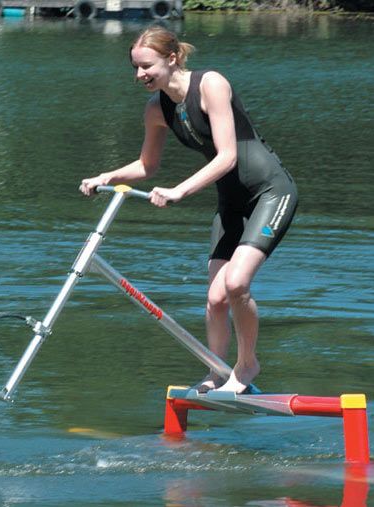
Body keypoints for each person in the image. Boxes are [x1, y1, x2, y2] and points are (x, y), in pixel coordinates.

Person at [79, 26, 298, 394]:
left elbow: (228, 156)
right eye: (135, 68)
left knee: (236, 283)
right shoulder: (156, 109)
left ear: (172, 58)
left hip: (270, 192)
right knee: (214, 300)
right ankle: (216, 371)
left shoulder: (211, 84)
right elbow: (147, 166)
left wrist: (180, 191)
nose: (139, 75)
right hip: (231, 202)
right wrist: (107, 175)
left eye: (146, 66)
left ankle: (246, 367)